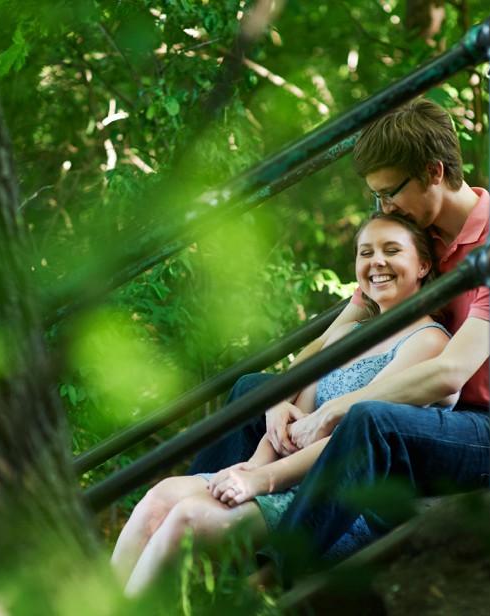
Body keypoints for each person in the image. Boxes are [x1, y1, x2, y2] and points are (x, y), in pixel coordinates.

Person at [263, 97, 490, 583]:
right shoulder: (415, 241)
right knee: (252, 389)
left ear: (434, 172)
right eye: (375, 198)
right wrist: (280, 393)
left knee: (370, 418)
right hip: (427, 415)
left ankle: (267, 579)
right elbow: (339, 337)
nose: (383, 207)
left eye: (389, 193)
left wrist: (338, 406)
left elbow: (450, 371)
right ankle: (202, 517)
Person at [110, 212, 456, 597]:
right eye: (365, 252)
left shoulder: (428, 342)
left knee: (189, 519)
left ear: (423, 265)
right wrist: (255, 464)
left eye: (392, 250)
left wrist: (259, 481)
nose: (376, 262)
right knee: (159, 499)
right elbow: (293, 421)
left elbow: (356, 438)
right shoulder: (346, 332)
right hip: (285, 476)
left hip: (340, 501)